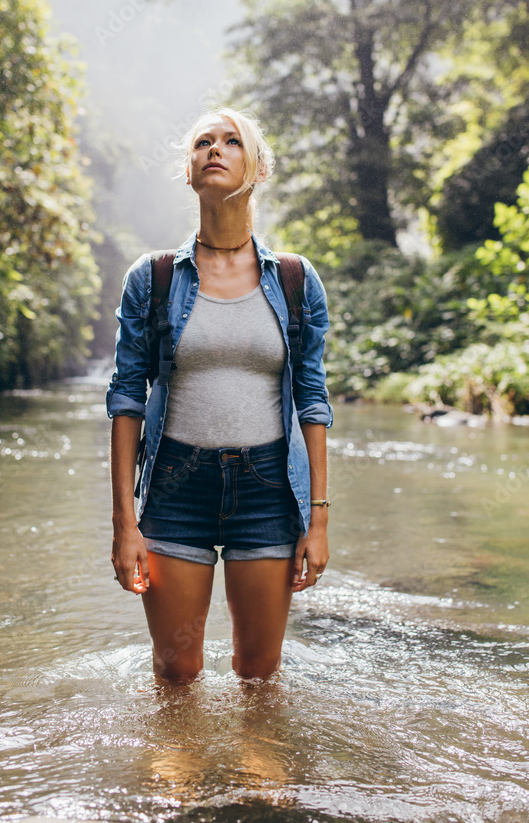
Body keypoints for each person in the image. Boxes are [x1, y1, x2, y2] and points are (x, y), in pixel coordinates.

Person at [107, 107, 333, 683]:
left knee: (259, 675)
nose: (215, 149)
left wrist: (320, 519)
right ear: (188, 172)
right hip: (176, 488)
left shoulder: (294, 280)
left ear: (256, 168)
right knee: (176, 672)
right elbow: (127, 397)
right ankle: (182, 762)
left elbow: (312, 397)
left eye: (232, 142)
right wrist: (124, 523)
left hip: (268, 490)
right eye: (203, 142)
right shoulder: (153, 277)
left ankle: (254, 766)